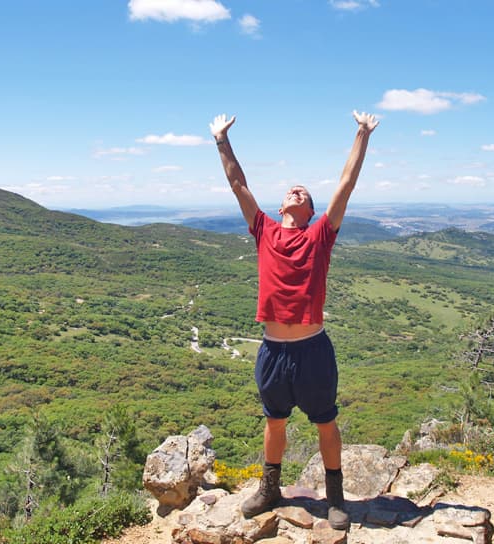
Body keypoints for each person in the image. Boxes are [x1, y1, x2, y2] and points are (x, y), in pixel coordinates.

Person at [210, 110, 379, 530]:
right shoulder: (263, 229)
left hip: (312, 349)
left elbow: (346, 183)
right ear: (282, 206)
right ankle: (270, 488)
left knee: (326, 422)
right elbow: (238, 184)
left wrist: (361, 134)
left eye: (303, 192)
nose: (296, 190)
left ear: (311, 211)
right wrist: (220, 141)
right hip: (273, 350)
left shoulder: (321, 234)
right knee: (275, 421)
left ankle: (335, 497)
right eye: (291, 190)